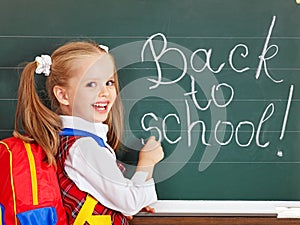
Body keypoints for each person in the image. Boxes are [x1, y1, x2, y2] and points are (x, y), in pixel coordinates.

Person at [16, 40, 164, 225]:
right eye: (91, 84)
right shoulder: (84, 147)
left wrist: (116, 204)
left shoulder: (71, 140)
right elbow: (130, 202)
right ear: (63, 95)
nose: (104, 92)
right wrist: (147, 163)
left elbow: (101, 194)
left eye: (109, 82)